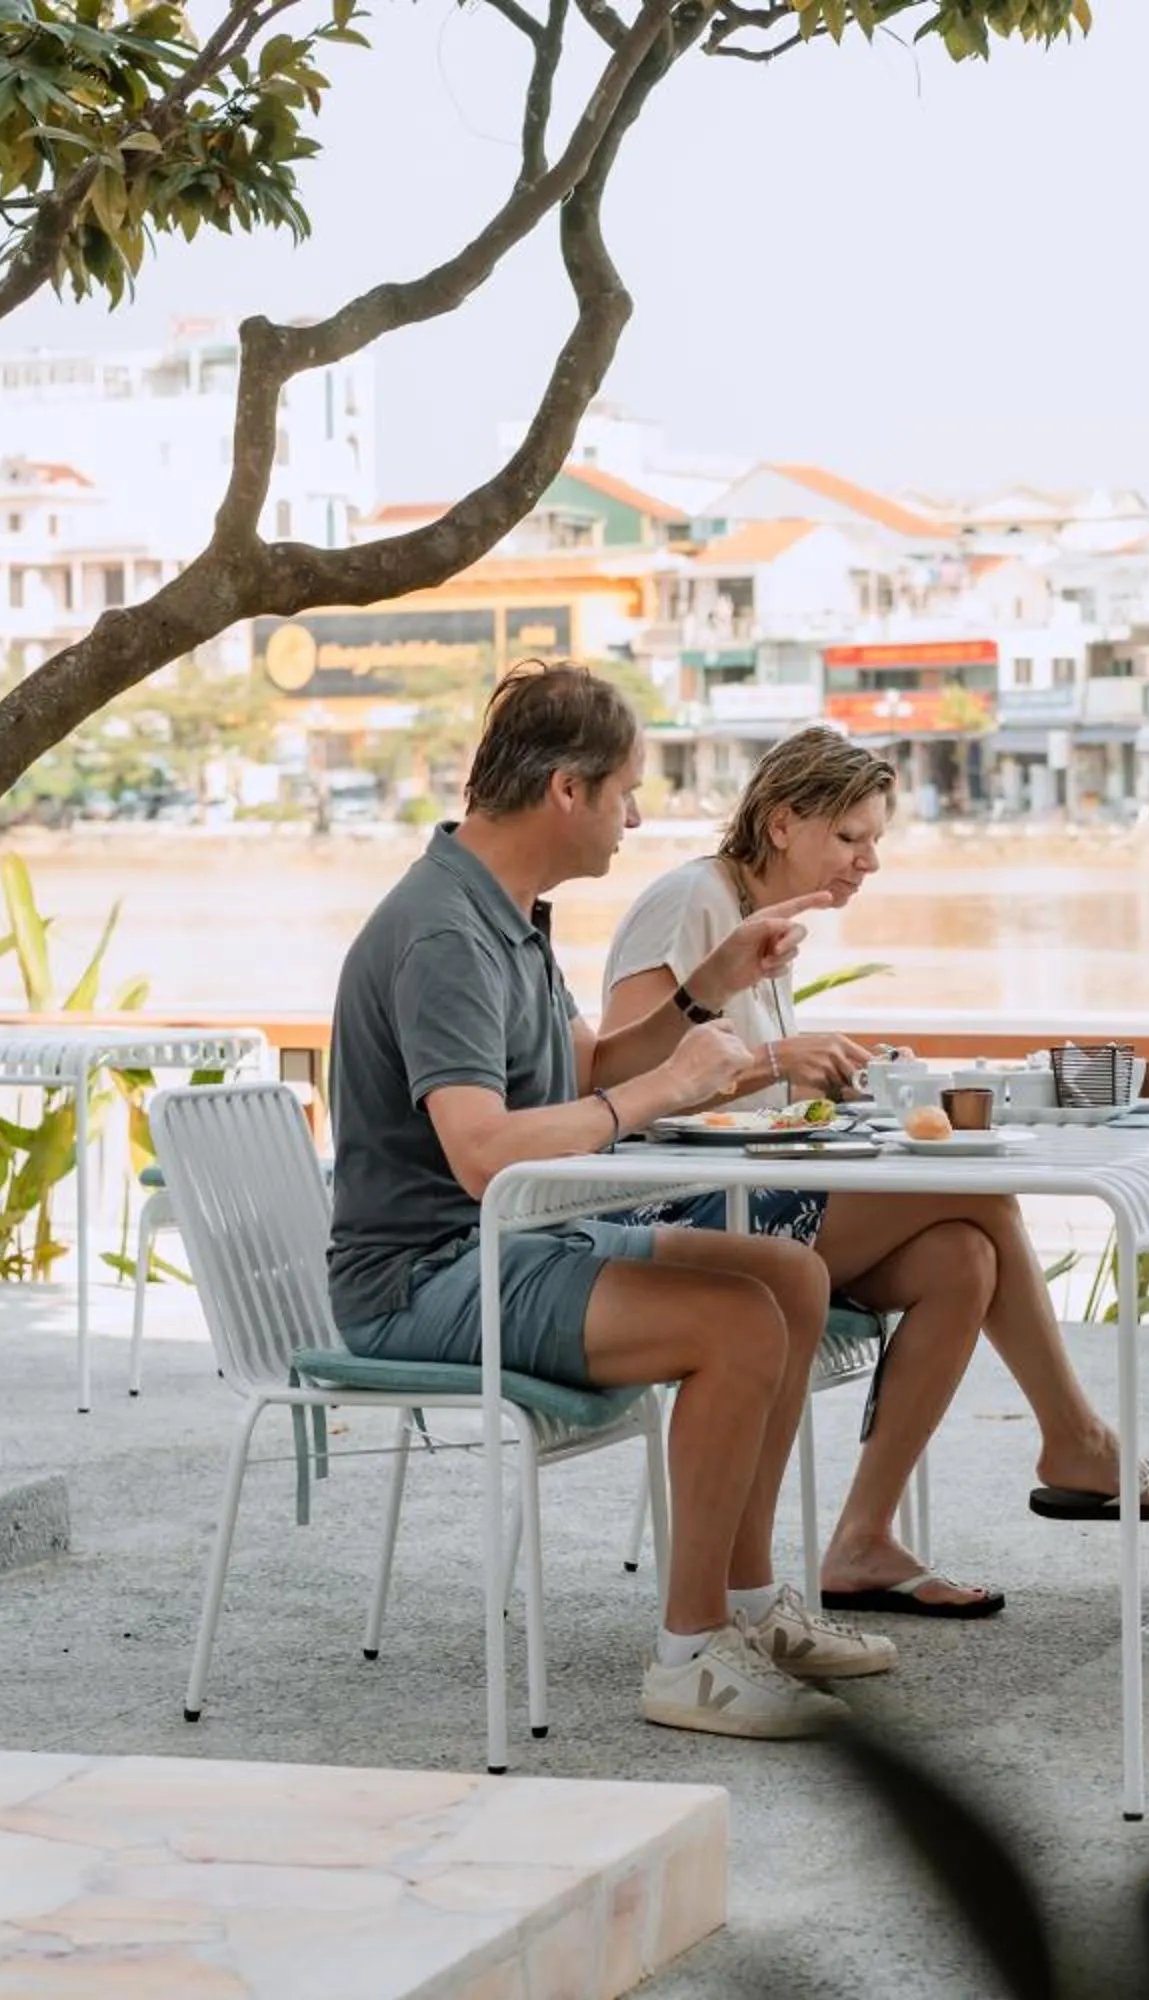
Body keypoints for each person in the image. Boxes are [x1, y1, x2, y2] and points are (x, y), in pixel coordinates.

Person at [327, 664, 893, 1740]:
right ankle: (688, 1658)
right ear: (566, 791)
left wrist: (700, 991)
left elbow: (579, 1064)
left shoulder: (506, 910)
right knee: (733, 1324)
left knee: (790, 1274)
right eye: (627, 788)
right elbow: (484, 1150)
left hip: (519, 1235)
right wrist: (656, 1092)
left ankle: (747, 1602)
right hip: (428, 1273)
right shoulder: (445, 931)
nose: (639, 813)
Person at [598, 727, 1149, 1617]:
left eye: (874, 840)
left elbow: (753, 1090)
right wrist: (778, 1062)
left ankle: (862, 1542)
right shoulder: (689, 900)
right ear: (780, 823)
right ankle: (1075, 1440)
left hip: (757, 1192)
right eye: (851, 837)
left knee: (963, 1256)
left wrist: (835, 1075)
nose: (868, 861)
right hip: (683, 1209)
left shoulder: (759, 916)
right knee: (980, 1192)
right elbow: (626, 1078)